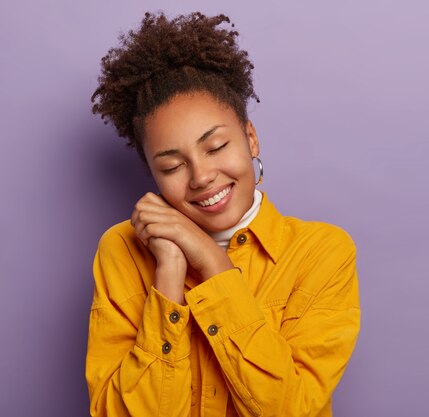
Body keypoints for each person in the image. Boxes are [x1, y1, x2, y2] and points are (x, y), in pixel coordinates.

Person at [86, 11, 360, 417]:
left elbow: (289, 410)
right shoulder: (121, 250)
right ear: (152, 175)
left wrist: (212, 262)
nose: (201, 176)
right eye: (172, 166)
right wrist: (169, 277)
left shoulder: (322, 252)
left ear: (250, 138)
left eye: (215, 147)